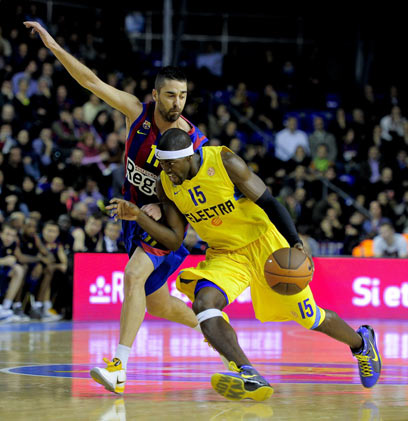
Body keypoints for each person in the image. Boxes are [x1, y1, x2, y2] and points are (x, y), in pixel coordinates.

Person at [107, 128, 382, 401]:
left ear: (189, 156)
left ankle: (361, 343)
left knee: (310, 317)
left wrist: (296, 243)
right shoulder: (166, 185)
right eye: (162, 164)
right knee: (204, 304)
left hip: (266, 245)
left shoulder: (224, 162)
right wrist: (139, 217)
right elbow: (175, 238)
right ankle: (248, 372)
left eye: (171, 164)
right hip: (226, 254)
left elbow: (270, 202)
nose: (166, 170)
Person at [24, 21, 223, 394]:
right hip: (134, 218)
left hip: (167, 222)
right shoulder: (136, 112)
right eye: (170, 95)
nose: (176, 102)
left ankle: (118, 367)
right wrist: (53, 45)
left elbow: (200, 190)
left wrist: (164, 206)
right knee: (159, 305)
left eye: (182, 96)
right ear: (155, 94)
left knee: (132, 276)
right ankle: (213, 327)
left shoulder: (192, 139)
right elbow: (91, 82)